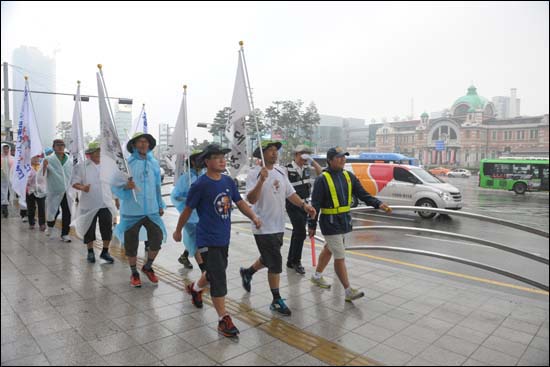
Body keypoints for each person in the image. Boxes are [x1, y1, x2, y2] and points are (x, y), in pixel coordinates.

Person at [173, 144, 261, 337]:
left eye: (223, 156)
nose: (222, 160)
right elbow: (187, 210)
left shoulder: (229, 182)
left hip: (223, 237)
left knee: (213, 273)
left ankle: (195, 289)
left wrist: (253, 217)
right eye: (216, 157)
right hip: (206, 238)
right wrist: (178, 230)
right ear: (206, 161)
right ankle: (223, 319)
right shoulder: (200, 185)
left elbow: (240, 203)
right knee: (218, 277)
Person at [240, 141, 316, 316]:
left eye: (276, 150)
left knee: (269, 258)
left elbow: (291, 194)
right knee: (275, 263)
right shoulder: (253, 174)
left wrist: (304, 206)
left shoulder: (281, 171)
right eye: (270, 151)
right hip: (262, 225)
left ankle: (248, 272)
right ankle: (276, 300)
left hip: (278, 225)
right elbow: (251, 199)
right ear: (261, 154)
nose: (274, 153)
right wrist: (261, 180)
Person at [308, 147, 392, 302]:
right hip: (330, 223)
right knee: (339, 255)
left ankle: (316, 276)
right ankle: (348, 291)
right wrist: (311, 225)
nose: (342, 159)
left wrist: (378, 204)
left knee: (329, 249)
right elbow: (316, 204)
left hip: (343, 221)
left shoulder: (348, 176)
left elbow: (363, 194)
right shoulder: (322, 179)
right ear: (330, 160)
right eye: (339, 157)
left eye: (344, 157)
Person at [112, 132, 167, 288]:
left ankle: (147, 266)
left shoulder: (154, 163)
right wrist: (125, 186)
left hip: (151, 210)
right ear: (134, 145)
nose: (143, 144)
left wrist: (160, 204)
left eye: (146, 142)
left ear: (149, 145)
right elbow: (114, 184)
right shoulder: (126, 164)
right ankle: (134, 273)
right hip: (131, 211)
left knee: (157, 239)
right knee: (131, 244)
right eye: (140, 142)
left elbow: (157, 186)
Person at [72, 142, 116, 264]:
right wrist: (82, 187)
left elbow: (113, 184)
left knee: (107, 228)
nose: (98, 154)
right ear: (90, 154)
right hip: (89, 204)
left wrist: (116, 200)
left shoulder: (107, 167)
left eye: (99, 151)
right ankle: (90, 252)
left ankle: (105, 252)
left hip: (105, 203)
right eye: (95, 152)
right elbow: (74, 182)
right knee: (89, 228)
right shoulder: (82, 167)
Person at [285, 145, 322, 274]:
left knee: (297, 232)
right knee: (300, 231)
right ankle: (296, 261)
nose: (304, 156)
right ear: (295, 155)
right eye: (302, 153)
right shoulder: (287, 169)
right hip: (293, 204)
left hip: (306, 204)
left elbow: (320, 173)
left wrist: (311, 160)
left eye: (307, 153)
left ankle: (291, 260)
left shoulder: (307, 168)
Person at [170, 150, 205, 270]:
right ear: (193, 162)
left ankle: (184, 256)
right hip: (189, 215)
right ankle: (204, 271)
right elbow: (175, 196)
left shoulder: (205, 175)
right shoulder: (186, 178)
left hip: (202, 215)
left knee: (198, 238)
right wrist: (189, 200)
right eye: (200, 159)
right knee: (195, 240)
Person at [42, 139, 73, 242]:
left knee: (67, 212)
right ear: (53, 147)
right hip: (54, 190)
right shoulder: (48, 159)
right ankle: (50, 227)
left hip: (67, 191)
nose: (60, 147)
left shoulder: (69, 160)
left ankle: (65, 234)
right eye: (58, 145)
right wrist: (44, 167)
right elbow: (41, 176)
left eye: (62, 145)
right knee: (53, 211)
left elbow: (72, 174)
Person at [26, 155, 47, 230]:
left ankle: (42, 224)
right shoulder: (27, 167)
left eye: (37, 157)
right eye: (34, 158)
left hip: (41, 190)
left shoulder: (42, 167)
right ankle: (31, 223)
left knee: (41, 207)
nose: (36, 159)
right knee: (31, 207)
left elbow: (45, 177)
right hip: (30, 190)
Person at [1, 144, 14, 218]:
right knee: (3, 194)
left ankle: (5, 207)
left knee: (8, 194)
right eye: (4, 149)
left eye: (7, 149)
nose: (5, 150)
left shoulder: (12, 158)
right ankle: (4, 209)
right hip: (2, 180)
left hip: (10, 180)